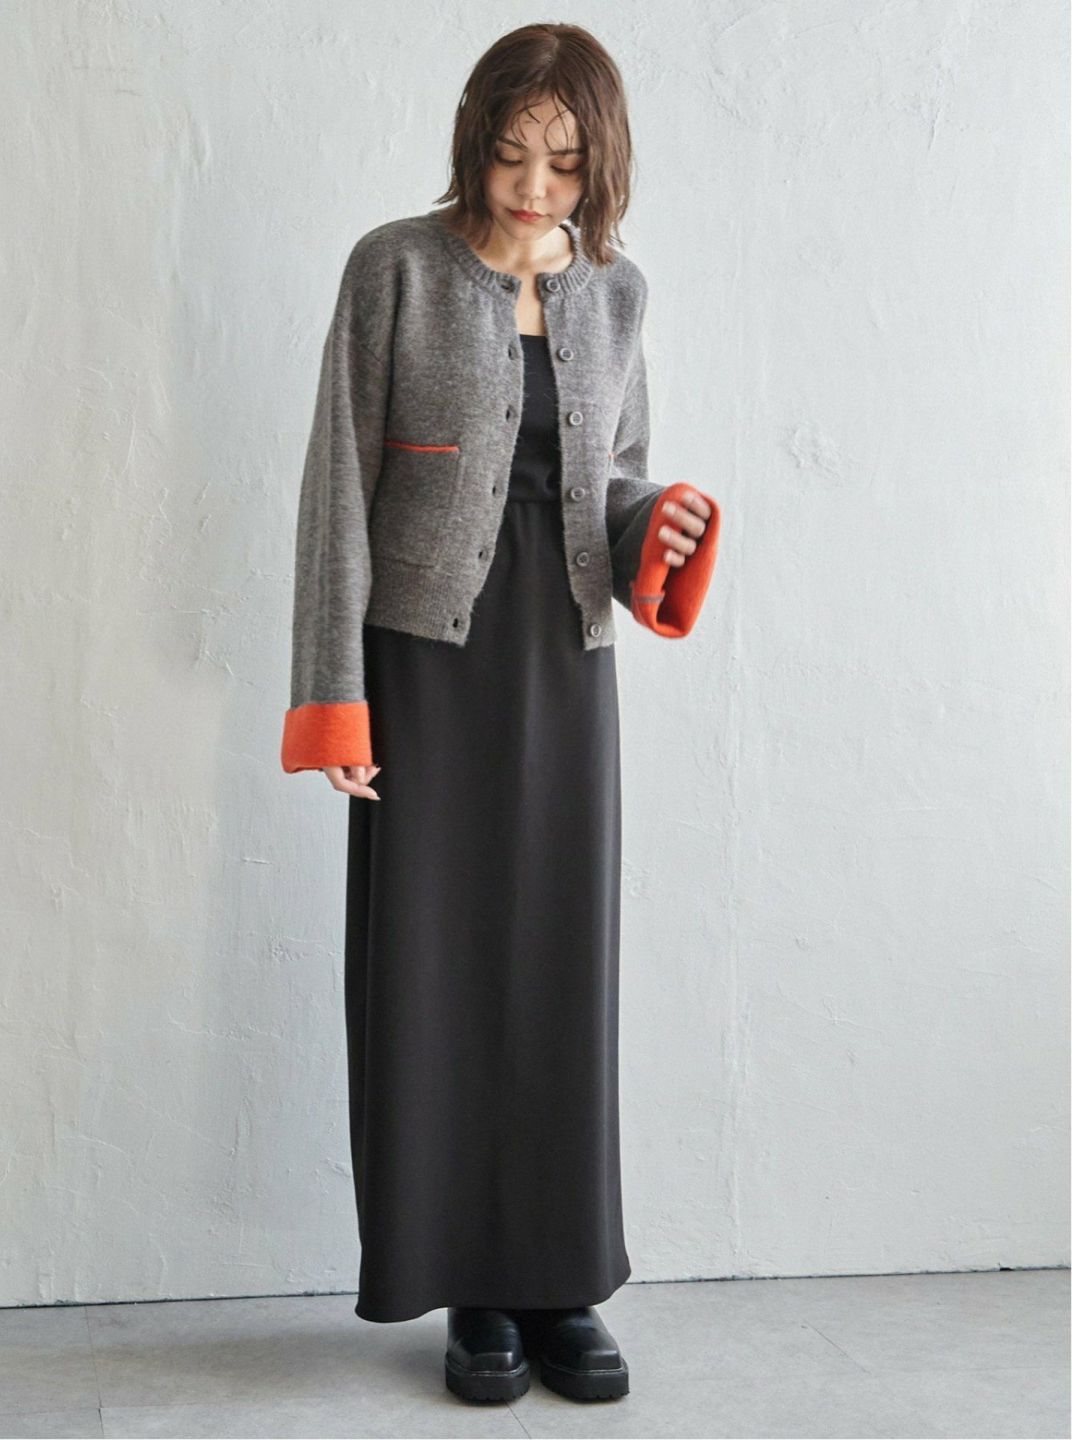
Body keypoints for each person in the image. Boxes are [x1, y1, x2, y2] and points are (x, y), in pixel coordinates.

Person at [281, 22, 721, 1405]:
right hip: (426, 666)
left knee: (560, 963)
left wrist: (659, 522)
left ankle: (559, 1283)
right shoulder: (395, 270)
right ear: (475, 139)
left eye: (567, 163)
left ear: (603, 166)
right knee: (438, 971)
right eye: (514, 153)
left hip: (566, 655)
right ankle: (472, 1286)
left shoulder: (619, 292)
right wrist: (335, 698)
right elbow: (338, 489)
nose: (536, 187)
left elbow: (615, 476)